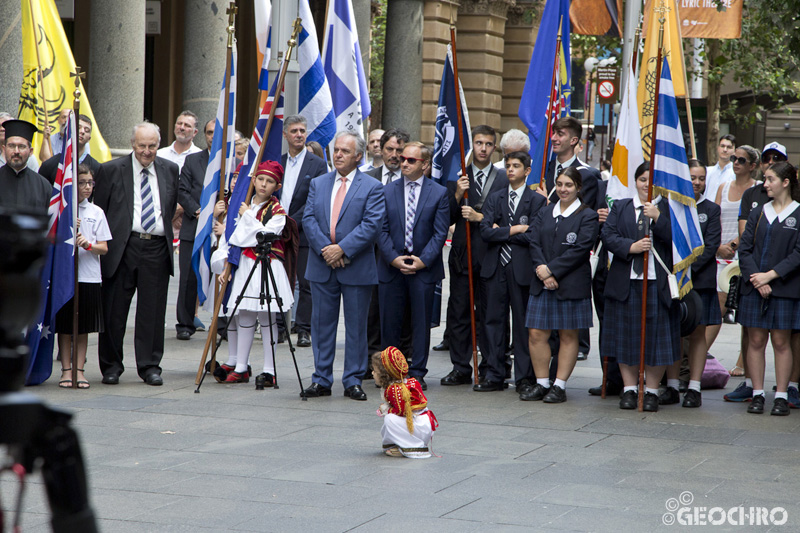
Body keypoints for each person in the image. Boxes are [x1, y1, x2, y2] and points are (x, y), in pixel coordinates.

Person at [300, 132, 385, 400]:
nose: (338, 154)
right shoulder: (318, 183)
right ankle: (321, 380)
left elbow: (371, 225)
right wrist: (328, 250)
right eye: (336, 150)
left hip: (355, 266)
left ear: (358, 156)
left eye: (344, 151)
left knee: (356, 327)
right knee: (321, 325)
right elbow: (309, 219)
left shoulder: (372, 187)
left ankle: (353, 380)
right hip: (323, 264)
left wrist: (342, 249)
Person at [93, 122, 179, 386]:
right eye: (142, 145)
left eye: (152, 146)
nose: (147, 151)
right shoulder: (110, 170)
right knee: (114, 310)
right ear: (132, 144)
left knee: (152, 312)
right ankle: (111, 366)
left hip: (156, 248)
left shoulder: (170, 169)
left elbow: (171, 204)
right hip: (123, 247)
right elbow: (100, 210)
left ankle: (150, 365)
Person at [601, 162, 680, 412]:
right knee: (626, 338)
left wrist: (658, 218)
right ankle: (629, 389)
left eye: (651, 180)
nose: (646, 184)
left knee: (656, 339)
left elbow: (679, 240)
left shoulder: (669, 208)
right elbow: (608, 235)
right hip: (626, 282)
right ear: (635, 181)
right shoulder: (622, 206)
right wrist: (630, 247)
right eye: (642, 179)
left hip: (658, 284)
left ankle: (653, 391)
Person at [377, 142, 449, 389]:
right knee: (391, 324)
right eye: (403, 158)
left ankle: (417, 373)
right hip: (392, 267)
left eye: (410, 160)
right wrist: (393, 258)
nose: (403, 162)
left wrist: (422, 261)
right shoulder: (387, 191)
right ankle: (392, 372)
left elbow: (440, 234)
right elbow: (381, 230)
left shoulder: (438, 193)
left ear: (425, 165)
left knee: (421, 324)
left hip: (423, 269)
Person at [441, 125, 508, 386]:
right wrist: (458, 193)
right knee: (459, 314)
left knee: (491, 314)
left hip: (492, 256)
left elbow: (506, 217)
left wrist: (482, 218)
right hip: (462, 255)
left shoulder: (503, 178)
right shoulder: (456, 177)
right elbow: (444, 218)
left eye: (488, 144)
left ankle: (492, 367)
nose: (483, 148)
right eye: (479, 143)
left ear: (494, 147)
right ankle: (460, 366)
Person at [216, 161, 295, 385]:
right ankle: (241, 366)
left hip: (266, 265)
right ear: (254, 180)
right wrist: (226, 263)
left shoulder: (277, 211)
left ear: (276, 186)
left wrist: (249, 217)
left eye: (269, 181)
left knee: (268, 315)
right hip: (244, 264)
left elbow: (264, 236)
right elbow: (234, 237)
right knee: (245, 313)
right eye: (260, 179)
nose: (263, 184)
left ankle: (269, 370)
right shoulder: (242, 203)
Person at [526, 167, 599, 403]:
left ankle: (559, 385)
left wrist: (552, 270)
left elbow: (580, 249)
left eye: (568, 185)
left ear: (578, 187)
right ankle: (542, 383)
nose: (563, 189)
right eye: (559, 184)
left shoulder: (587, 215)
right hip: (542, 281)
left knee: (568, 335)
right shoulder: (545, 211)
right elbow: (533, 240)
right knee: (537, 333)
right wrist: (542, 270)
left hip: (571, 284)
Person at [477, 151, 546, 397]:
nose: (510, 170)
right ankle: (495, 373)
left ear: (527, 171)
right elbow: (485, 231)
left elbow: (534, 235)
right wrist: (514, 229)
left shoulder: (536, 200)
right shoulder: (495, 198)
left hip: (521, 270)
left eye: (516, 166)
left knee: (521, 325)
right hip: (495, 267)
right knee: (493, 322)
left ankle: (524, 377)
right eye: (507, 166)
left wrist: (502, 231)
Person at [737, 162, 800, 416]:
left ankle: (782, 396)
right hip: (755, 287)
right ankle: (758, 394)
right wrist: (756, 279)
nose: (765, 184)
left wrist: (770, 277)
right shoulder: (759, 212)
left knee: (782, 342)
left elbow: (798, 254)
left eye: (770, 179)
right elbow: (744, 248)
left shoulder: (798, 213)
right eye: (765, 179)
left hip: (785, 288)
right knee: (755, 340)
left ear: (785, 182)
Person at [660, 160, 721, 408]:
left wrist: (686, 269)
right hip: (673, 282)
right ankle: (673, 386)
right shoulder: (670, 206)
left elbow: (710, 246)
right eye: (692, 178)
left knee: (698, 335)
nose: (696, 182)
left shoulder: (712, 209)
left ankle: (694, 387)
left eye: (701, 178)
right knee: (674, 333)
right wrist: (675, 273)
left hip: (700, 282)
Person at [540, 117, 600, 362]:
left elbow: (583, 216)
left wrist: (547, 204)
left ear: (574, 140)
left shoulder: (588, 175)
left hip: (568, 259)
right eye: (553, 133)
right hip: (542, 256)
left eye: (560, 134)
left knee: (567, 330)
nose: (554, 138)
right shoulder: (542, 168)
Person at [54, 165, 112, 389]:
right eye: (82, 183)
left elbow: (104, 248)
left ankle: (80, 369)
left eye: (90, 183)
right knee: (66, 325)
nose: (87, 187)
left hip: (88, 276)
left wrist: (88, 244)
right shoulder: (64, 209)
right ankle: (66, 369)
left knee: (84, 324)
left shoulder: (96, 212)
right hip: (66, 276)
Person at [279, 115, 328, 348]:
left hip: (304, 232)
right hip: (277, 232)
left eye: (302, 130)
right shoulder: (277, 162)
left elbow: (314, 201)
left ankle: (304, 329)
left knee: (305, 283)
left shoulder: (317, 165)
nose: (299, 134)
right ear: (285, 134)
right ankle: (279, 327)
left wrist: (289, 223)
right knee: (279, 280)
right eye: (295, 130)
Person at [708, 145, 759, 345]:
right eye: (734, 159)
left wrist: (737, 242)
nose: (736, 163)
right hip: (722, 254)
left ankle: (743, 361)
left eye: (741, 160)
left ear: (753, 166)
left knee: (746, 311)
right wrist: (717, 246)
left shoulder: (759, 188)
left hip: (747, 254)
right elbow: (714, 218)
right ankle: (699, 358)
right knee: (719, 304)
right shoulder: (724, 187)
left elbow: (757, 222)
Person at [366, 128, 411, 354]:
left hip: (402, 253)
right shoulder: (367, 179)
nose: (394, 154)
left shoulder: (412, 179)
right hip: (371, 253)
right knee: (372, 308)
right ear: (381, 151)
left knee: (402, 309)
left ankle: (402, 357)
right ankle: (371, 357)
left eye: (399, 150)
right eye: (389, 149)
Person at [175, 119, 214, 340]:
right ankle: (185, 323)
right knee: (188, 277)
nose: (211, 136)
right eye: (209, 132)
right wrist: (198, 211)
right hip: (194, 226)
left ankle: (224, 323)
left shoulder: (233, 160)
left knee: (222, 275)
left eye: (215, 133)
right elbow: (182, 191)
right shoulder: (192, 160)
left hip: (221, 228)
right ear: (204, 135)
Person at [373, 347, 438, 458]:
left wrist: (386, 409)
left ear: (384, 375)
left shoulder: (394, 389)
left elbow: (401, 411)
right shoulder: (409, 382)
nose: (373, 373)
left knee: (389, 419)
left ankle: (412, 447)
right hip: (424, 424)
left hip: (418, 427)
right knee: (389, 419)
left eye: (375, 371)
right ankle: (398, 444)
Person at [0, 119, 50, 212]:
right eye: (11, 146)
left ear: (31, 151)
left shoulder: (43, 186)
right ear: (4, 148)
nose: (16, 151)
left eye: (21, 146)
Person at [38, 115, 101, 185]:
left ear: (89, 138)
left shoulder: (96, 168)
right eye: (78, 127)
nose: (82, 131)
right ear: (69, 131)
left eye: (87, 130)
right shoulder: (49, 165)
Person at [705, 134, 736, 205]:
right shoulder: (707, 171)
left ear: (734, 150)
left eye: (729, 147)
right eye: (722, 146)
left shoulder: (735, 173)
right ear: (718, 148)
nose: (725, 150)